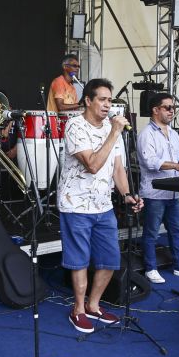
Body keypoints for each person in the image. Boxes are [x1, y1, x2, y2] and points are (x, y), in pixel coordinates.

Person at [57, 78, 143, 333]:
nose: (108, 105)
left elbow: (118, 167)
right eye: (103, 100)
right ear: (88, 101)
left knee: (110, 258)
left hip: (103, 205)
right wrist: (114, 132)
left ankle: (94, 305)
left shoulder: (109, 127)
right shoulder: (75, 126)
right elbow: (92, 165)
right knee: (80, 260)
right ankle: (78, 309)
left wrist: (127, 194)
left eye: (110, 100)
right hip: (76, 204)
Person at [137, 92, 179, 284]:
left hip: (173, 194)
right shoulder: (146, 134)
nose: (172, 111)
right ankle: (150, 268)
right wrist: (177, 166)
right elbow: (150, 161)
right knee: (151, 232)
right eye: (168, 107)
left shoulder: (173, 133)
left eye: (174, 108)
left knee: (177, 230)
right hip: (154, 193)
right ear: (155, 110)